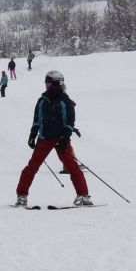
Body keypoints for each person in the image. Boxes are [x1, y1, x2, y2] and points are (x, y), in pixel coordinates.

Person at [14, 70, 92, 207]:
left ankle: (83, 195)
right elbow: (37, 120)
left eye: (48, 83)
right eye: (46, 83)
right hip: (45, 138)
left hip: (61, 139)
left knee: (72, 167)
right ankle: (22, 195)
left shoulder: (65, 101)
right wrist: (32, 135)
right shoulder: (42, 100)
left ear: (56, 84)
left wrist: (65, 137)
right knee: (32, 167)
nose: (46, 85)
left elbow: (70, 122)